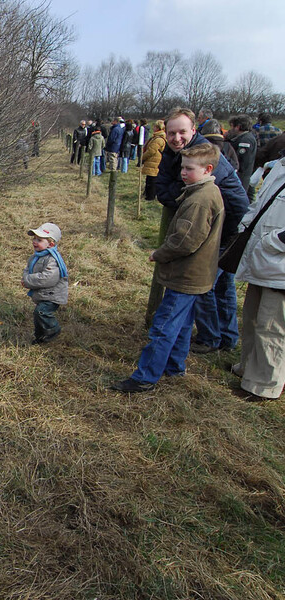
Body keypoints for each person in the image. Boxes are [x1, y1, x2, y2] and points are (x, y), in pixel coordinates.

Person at [112, 144, 225, 392]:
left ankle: (145, 377)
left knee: (163, 327)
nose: (183, 172)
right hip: (197, 275)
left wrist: (158, 254)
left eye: (189, 168)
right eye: (182, 167)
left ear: (207, 169)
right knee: (183, 325)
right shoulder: (208, 191)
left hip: (185, 276)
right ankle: (175, 367)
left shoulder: (200, 200)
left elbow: (185, 241)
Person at [155, 107, 249, 355]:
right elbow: (162, 188)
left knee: (202, 282)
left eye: (182, 132)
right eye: (171, 133)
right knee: (221, 283)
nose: (176, 138)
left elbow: (187, 194)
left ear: (194, 130)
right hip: (213, 224)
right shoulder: (173, 152)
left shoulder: (205, 155)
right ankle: (226, 338)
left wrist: (224, 238)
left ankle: (210, 338)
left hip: (227, 226)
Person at [230, 155, 285, 401]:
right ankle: (248, 369)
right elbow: (260, 203)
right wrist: (246, 224)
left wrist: (274, 242)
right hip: (263, 261)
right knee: (252, 318)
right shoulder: (278, 167)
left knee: (271, 327)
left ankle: (264, 385)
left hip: (280, 265)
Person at [22, 223, 68, 345]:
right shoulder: (35, 257)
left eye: (39, 240)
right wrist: (26, 277)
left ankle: (53, 330)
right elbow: (27, 269)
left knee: (41, 312)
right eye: (34, 239)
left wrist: (27, 280)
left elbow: (48, 278)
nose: (34, 242)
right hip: (43, 294)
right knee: (37, 316)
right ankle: (40, 337)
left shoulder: (53, 259)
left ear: (51, 244)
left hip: (52, 295)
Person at [226, 114, 257, 198]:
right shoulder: (244, 137)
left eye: (232, 126)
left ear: (238, 127)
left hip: (241, 176)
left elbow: (243, 160)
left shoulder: (245, 140)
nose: (231, 129)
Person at [141, 120, 166, 200]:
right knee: (149, 179)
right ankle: (147, 194)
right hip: (152, 161)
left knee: (152, 180)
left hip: (154, 161)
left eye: (154, 126)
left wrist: (143, 157)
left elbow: (151, 150)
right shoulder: (155, 137)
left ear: (158, 128)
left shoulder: (158, 139)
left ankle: (150, 196)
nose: (153, 128)